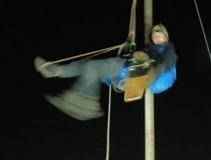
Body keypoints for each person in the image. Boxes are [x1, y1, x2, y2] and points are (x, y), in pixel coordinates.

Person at [34, 23, 178, 120]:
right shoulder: (151, 51)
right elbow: (129, 58)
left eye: (160, 35)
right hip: (129, 77)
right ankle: (56, 70)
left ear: (166, 37)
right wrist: (129, 46)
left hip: (153, 75)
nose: (156, 37)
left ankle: (85, 101)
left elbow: (169, 61)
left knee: (103, 65)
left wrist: (154, 73)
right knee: (89, 67)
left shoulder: (168, 49)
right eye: (154, 35)